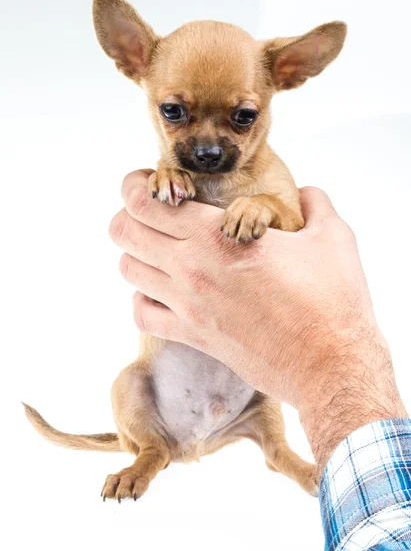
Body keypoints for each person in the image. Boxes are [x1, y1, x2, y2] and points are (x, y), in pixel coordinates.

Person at [110, 169, 411, 550]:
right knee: (131, 383)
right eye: (174, 113)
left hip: (244, 402)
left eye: (242, 118)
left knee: (265, 413)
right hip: (164, 402)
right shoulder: (172, 174)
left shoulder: (268, 175)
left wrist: (266, 207)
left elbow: (291, 220)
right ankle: (152, 453)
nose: (207, 148)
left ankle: (280, 455)